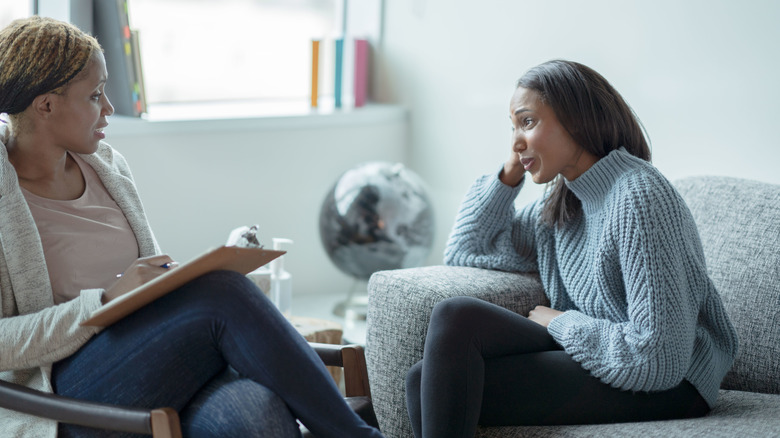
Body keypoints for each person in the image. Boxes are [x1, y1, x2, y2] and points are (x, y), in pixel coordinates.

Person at [0, 16, 383, 438]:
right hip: (65, 392)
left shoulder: (107, 167)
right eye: (95, 95)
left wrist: (192, 271)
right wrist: (103, 301)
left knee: (258, 415)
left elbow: (146, 279)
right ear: (46, 105)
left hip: (151, 360)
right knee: (221, 292)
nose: (108, 108)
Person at [405, 60, 739, 438]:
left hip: (673, 382)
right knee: (438, 350)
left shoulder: (639, 196)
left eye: (527, 122)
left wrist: (560, 322)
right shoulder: (563, 204)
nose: (515, 141)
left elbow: (657, 357)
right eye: (512, 127)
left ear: (576, 119)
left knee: (444, 349)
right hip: (604, 353)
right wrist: (510, 171)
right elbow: (468, 247)